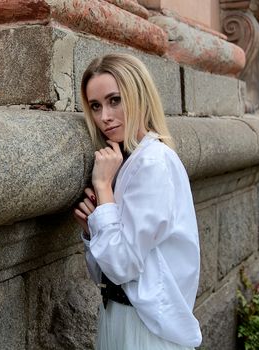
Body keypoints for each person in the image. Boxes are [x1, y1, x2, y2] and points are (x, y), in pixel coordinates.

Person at [73, 53, 202, 350]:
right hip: (119, 316)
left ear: (138, 94)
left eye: (114, 100)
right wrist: (94, 232)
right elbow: (106, 274)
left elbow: (122, 266)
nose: (104, 116)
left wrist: (103, 188)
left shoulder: (153, 163)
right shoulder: (129, 161)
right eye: (95, 106)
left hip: (145, 328)